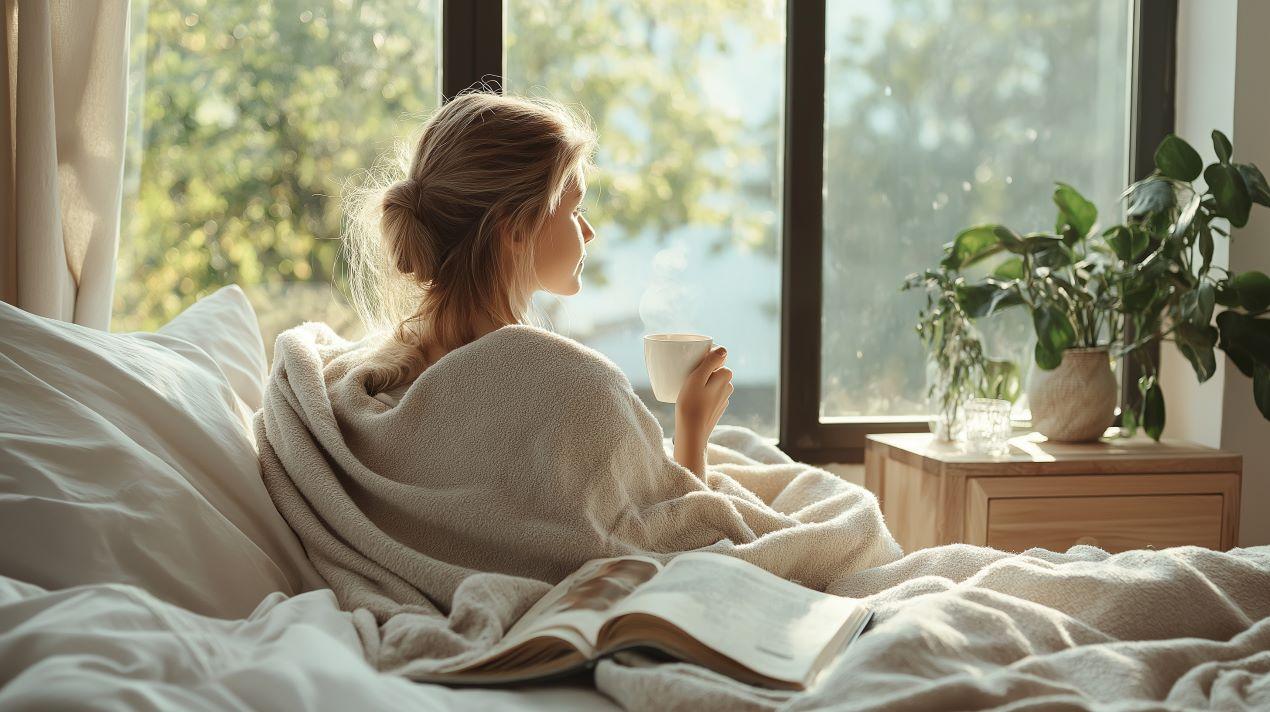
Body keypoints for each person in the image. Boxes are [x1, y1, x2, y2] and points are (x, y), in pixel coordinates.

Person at [341, 90, 732, 476]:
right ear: (515, 231)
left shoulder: (388, 375)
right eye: (575, 210)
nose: (589, 231)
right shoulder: (571, 389)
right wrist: (693, 428)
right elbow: (678, 531)